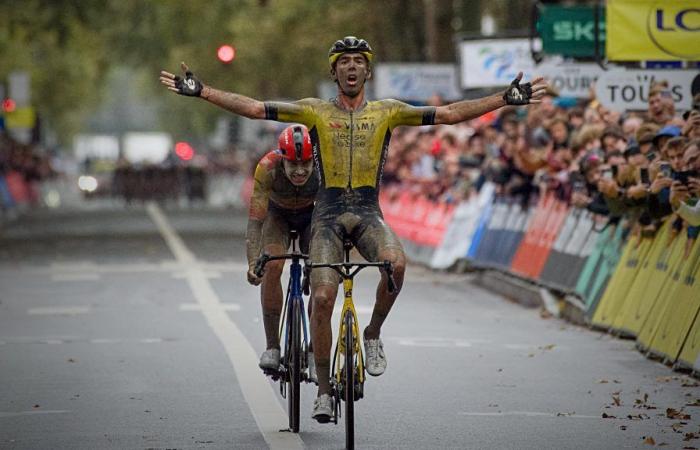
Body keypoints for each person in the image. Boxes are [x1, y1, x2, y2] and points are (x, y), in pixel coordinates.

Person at [160, 36, 548, 423]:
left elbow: (449, 114)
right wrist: (203, 91)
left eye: (357, 62)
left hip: (367, 212)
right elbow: (255, 108)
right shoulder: (313, 111)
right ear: (333, 71)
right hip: (326, 216)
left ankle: (373, 333)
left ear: (367, 70)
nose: (350, 67)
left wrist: (503, 98)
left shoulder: (388, 112)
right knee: (324, 296)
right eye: (343, 61)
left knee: (396, 264)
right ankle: (325, 393)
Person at [244, 125, 318, 380]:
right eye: (293, 165)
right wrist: (254, 261)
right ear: (282, 158)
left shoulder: (326, 165)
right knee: (272, 266)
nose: (300, 171)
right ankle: (273, 346)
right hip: (278, 217)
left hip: (313, 216)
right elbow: (255, 222)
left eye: (306, 164)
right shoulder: (267, 167)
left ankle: (314, 347)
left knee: (323, 274)